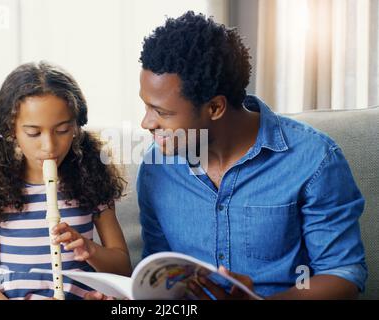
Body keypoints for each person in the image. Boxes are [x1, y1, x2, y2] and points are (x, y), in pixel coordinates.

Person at [133, 11, 368, 300]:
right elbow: (156, 268)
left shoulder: (314, 159)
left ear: (216, 108)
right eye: (146, 106)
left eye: (162, 112)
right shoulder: (158, 168)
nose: (146, 123)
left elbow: (342, 275)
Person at [0, 62, 132, 300]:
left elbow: (123, 268)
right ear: (11, 130)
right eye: (34, 133)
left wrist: (89, 250)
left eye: (63, 130)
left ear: (76, 127)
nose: (49, 147)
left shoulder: (93, 181)